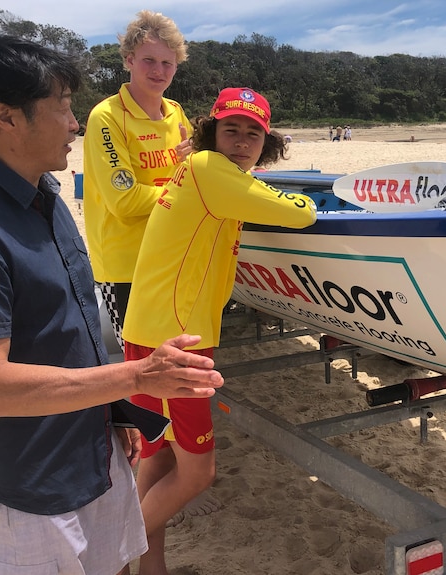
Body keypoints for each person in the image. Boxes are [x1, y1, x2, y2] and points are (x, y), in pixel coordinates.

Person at [0, 35, 223, 575]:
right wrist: (138, 377)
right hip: (30, 490)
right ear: (6, 116)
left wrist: (115, 412)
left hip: (94, 454)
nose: (76, 123)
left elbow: (78, 315)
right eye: (62, 106)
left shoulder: (43, 195)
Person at [122, 87, 317, 575]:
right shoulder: (211, 170)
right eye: (231, 129)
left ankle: (149, 568)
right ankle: (110, 553)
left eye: (254, 133)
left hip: (154, 329)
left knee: (161, 459)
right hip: (175, 340)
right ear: (212, 132)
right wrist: (288, 194)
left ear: (265, 142)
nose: (242, 141)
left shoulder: (200, 170)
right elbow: (300, 213)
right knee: (198, 473)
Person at [83, 10, 191, 350]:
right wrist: (183, 193)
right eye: (149, 60)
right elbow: (126, 201)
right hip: (127, 265)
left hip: (174, 257)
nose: (158, 71)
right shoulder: (107, 116)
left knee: (177, 355)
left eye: (167, 63)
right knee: (141, 363)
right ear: (129, 59)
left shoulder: (175, 112)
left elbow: (194, 171)